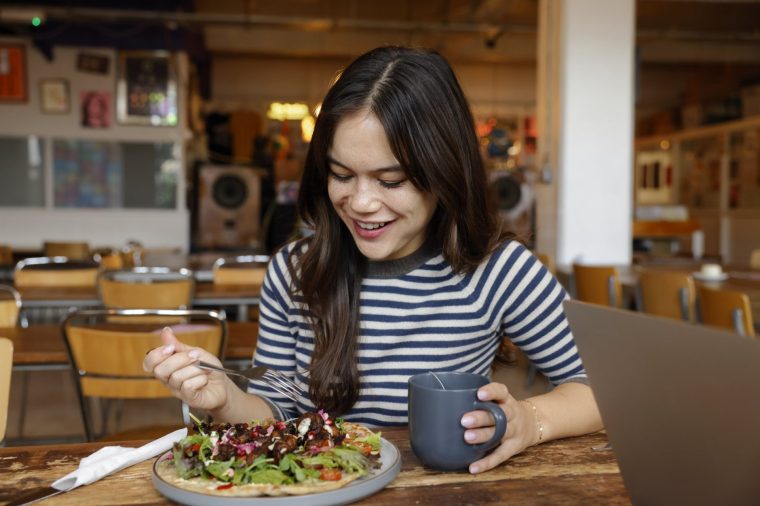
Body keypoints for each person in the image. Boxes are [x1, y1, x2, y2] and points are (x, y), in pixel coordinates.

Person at [144, 46, 602, 474]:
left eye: (391, 180)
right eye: (342, 175)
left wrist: (529, 419)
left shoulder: (498, 270)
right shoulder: (293, 271)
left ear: (444, 174)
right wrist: (223, 401)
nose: (360, 202)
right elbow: (274, 414)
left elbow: (603, 389)